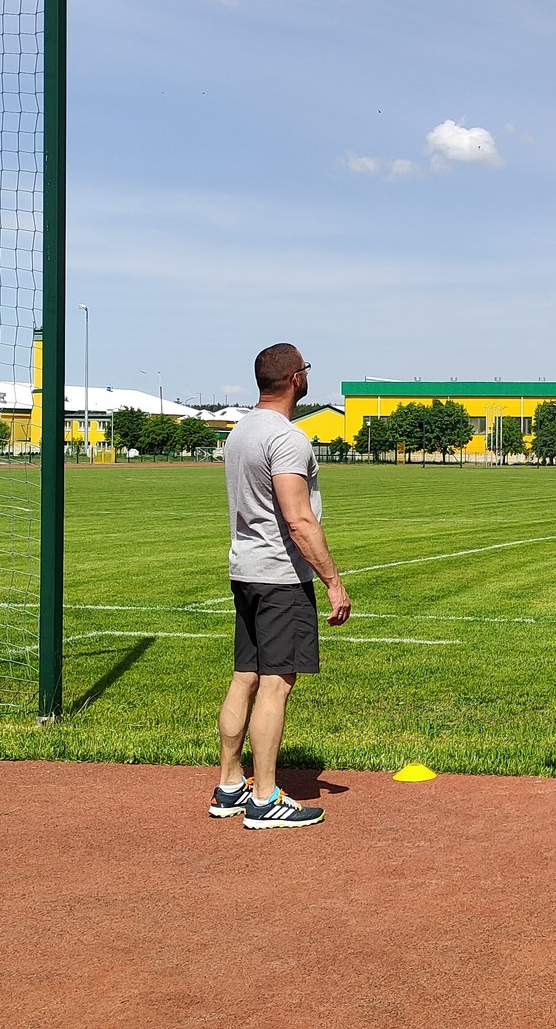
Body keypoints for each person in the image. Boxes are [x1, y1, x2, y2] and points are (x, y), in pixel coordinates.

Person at [210, 343, 350, 831]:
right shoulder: (288, 438)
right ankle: (265, 799)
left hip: (245, 570)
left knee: (244, 675)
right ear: (296, 378)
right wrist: (333, 581)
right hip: (280, 576)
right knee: (276, 683)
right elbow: (298, 518)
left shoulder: (240, 431)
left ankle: (230, 786)